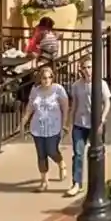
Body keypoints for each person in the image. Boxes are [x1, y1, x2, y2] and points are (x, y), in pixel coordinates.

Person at [22, 64, 72, 193]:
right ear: (40, 78)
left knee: (51, 150)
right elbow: (30, 107)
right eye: (44, 78)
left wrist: (65, 124)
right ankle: (44, 181)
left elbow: (65, 108)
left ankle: (61, 163)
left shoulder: (58, 90)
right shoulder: (35, 90)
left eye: (49, 77)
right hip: (38, 126)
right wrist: (23, 122)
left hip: (53, 126)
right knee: (41, 154)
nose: (47, 80)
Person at [64, 62, 110, 198]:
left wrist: (103, 117)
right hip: (80, 123)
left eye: (90, 67)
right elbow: (75, 105)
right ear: (81, 69)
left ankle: (98, 183)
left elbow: (107, 102)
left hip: (95, 123)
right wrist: (69, 124)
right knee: (78, 154)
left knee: (98, 154)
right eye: (84, 68)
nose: (87, 70)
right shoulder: (76, 85)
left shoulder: (100, 84)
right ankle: (76, 183)